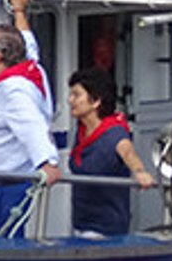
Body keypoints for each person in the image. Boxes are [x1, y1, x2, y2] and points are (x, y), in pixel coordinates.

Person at [0, 25, 61, 237]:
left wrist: (47, 161)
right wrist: (19, 13)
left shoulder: (13, 89)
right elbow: (31, 51)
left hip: (1, 190)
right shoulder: (28, 73)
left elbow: (31, 124)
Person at [66, 68, 157, 237]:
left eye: (77, 95)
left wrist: (139, 172)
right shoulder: (80, 130)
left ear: (95, 101)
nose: (70, 100)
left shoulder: (114, 133)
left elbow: (128, 152)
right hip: (80, 223)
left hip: (105, 228)